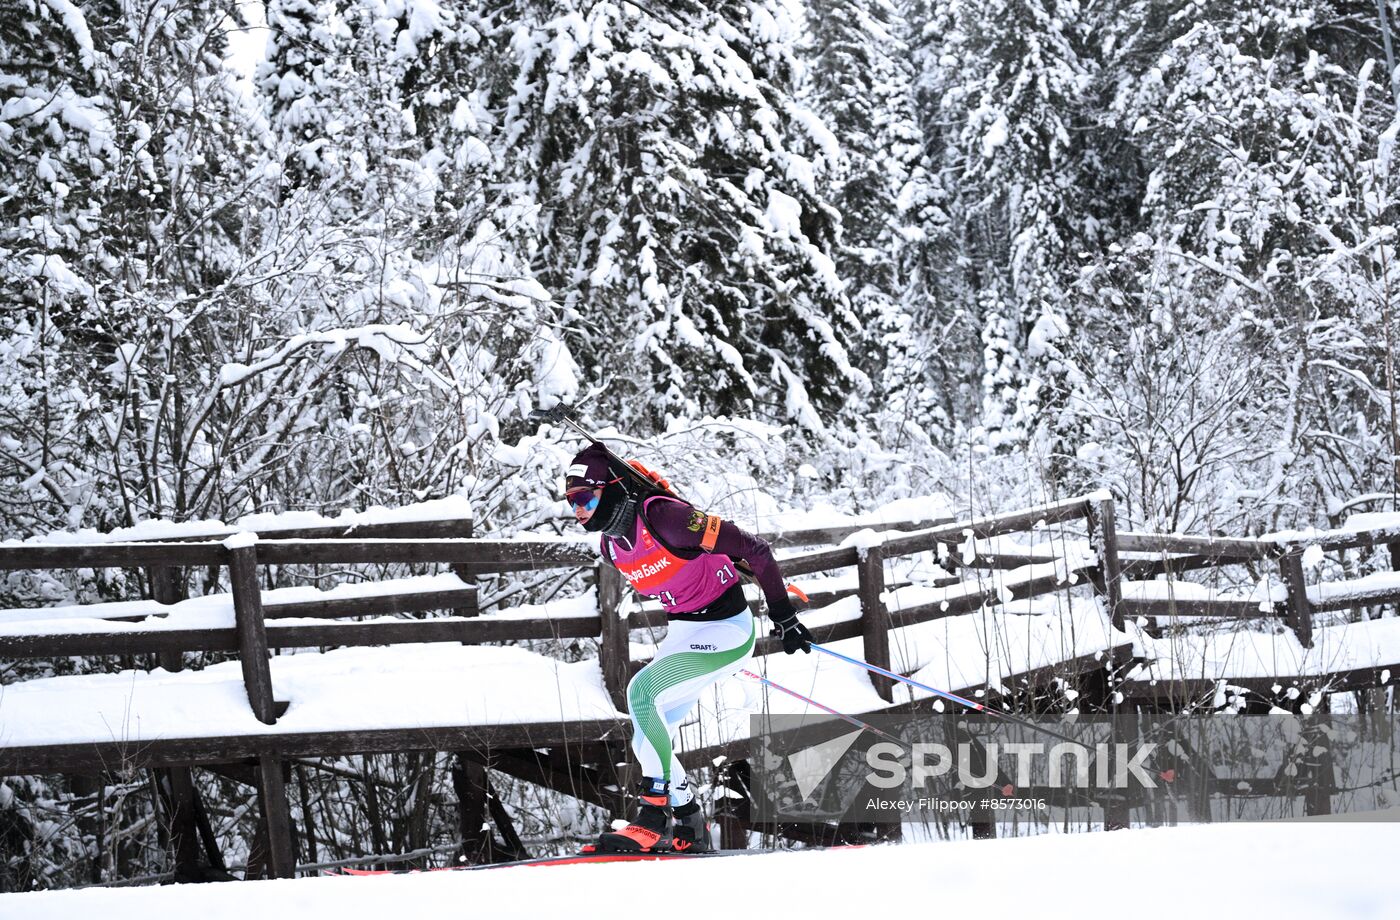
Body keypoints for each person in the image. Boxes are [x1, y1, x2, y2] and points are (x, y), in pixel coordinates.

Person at [563, 442, 814, 853]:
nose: (577, 509)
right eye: (571, 501)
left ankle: (652, 813)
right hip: (683, 633)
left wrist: (784, 617)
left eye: (584, 497)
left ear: (609, 488)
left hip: (727, 630)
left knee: (642, 692)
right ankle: (690, 821)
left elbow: (756, 551)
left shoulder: (666, 517)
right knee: (646, 736)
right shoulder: (610, 547)